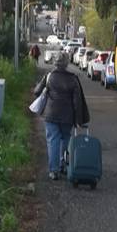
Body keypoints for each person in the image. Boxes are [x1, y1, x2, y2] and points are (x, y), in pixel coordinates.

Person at [33, 52, 90, 180]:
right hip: (67, 116)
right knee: (65, 140)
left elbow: (37, 91)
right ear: (67, 63)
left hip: (51, 114)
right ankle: (62, 164)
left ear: (55, 62)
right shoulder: (73, 79)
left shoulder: (49, 76)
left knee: (53, 141)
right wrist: (78, 119)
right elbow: (77, 101)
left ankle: (54, 171)